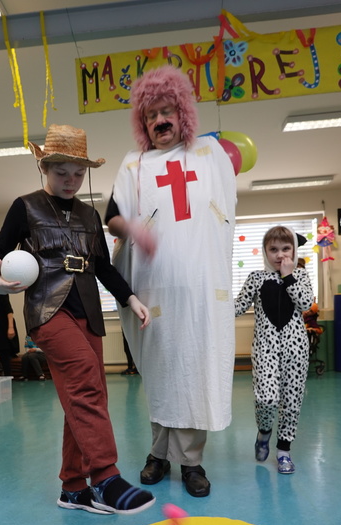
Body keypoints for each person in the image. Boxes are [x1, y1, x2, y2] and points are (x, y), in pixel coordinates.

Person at [0, 123, 155, 515]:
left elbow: (103, 267)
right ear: (44, 167)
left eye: (78, 173)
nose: (71, 180)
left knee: (88, 394)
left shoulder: (91, 215)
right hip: (47, 310)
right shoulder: (25, 206)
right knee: (85, 380)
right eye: (62, 172)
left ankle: (73, 488)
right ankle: (105, 477)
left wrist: (131, 299)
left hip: (87, 312)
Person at [106, 66, 237, 497]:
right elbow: (112, 217)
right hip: (156, 288)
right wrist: (133, 229)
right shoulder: (135, 164)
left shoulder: (208, 155)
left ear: (183, 113)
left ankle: (191, 462)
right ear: (142, 123)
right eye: (151, 115)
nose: (160, 121)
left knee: (194, 371)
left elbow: (223, 209)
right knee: (162, 373)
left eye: (167, 111)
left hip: (200, 289)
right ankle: (159, 454)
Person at [234, 226, 313, 474]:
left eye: (286, 248)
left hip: (296, 350)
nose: (280, 255)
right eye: (273, 249)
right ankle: (264, 431)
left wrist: (288, 277)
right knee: (266, 398)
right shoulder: (256, 278)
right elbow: (237, 307)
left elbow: (305, 303)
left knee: (291, 401)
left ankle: (283, 452)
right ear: (265, 251)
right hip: (265, 349)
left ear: (294, 250)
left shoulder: (301, 276)